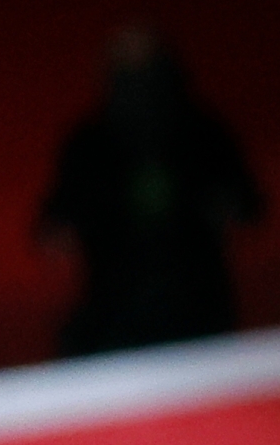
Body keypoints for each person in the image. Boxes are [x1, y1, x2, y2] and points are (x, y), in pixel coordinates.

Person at [37, 25, 263, 357]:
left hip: (198, 313)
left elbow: (247, 207)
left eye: (146, 67)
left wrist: (219, 206)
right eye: (127, 69)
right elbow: (53, 228)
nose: (139, 84)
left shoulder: (203, 132)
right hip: (115, 318)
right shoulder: (88, 145)